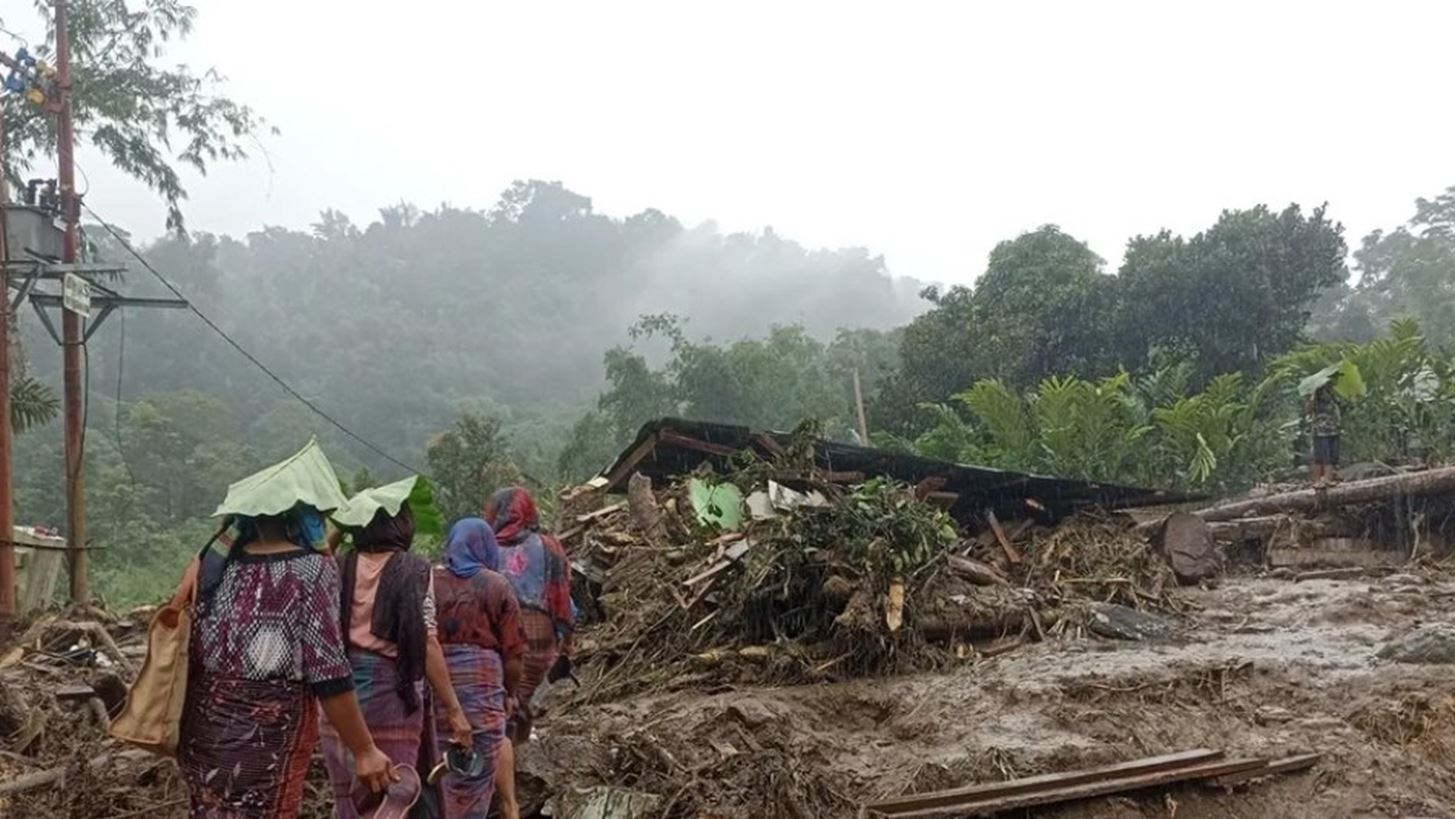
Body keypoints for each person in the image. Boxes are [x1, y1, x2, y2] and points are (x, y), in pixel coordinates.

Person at [179, 507, 395, 819]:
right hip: (266, 736)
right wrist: (364, 750)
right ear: (304, 517)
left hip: (203, 728)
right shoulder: (309, 569)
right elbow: (328, 670)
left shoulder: (214, 562)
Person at [321, 502, 473, 819]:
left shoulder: (338, 565)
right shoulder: (415, 569)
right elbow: (427, 641)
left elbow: (317, 557)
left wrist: (343, 526)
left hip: (340, 695)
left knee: (348, 796)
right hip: (391, 694)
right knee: (392, 790)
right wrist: (455, 711)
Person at [482, 487, 575, 814]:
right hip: (539, 634)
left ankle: (505, 782)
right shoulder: (549, 546)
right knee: (522, 698)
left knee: (503, 701)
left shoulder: (486, 547)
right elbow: (561, 594)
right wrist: (565, 635)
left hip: (498, 633)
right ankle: (517, 766)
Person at [427, 518, 526, 819]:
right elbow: (513, 653)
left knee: (438, 769)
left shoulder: (429, 580)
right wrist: (510, 694)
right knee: (477, 769)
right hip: (484, 690)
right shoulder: (496, 585)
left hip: (436, 686)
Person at [1308, 378, 1342, 485]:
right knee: (1322, 456)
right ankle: (1320, 480)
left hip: (1333, 429)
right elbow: (1311, 408)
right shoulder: (1319, 392)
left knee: (1332, 456)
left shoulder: (1334, 393)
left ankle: (1328, 479)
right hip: (1321, 430)